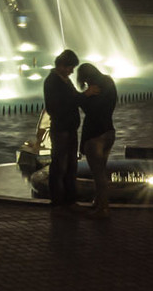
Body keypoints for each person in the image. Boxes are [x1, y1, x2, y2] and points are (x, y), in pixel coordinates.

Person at [42, 49, 94, 212]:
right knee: (59, 165)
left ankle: (70, 200)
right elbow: (60, 104)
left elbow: (71, 99)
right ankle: (57, 201)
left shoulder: (64, 80)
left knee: (71, 165)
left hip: (69, 128)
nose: (72, 71)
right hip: (61, 129)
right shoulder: (52, 82)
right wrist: (85, 95)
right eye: (70, 67)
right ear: (62, 65)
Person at [75, 62, 118, 218]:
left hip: (95, 135)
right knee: (102, 170)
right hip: (109, 132)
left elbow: (91, 110)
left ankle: (104, 208)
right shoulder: (109, 81)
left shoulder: (94, 89)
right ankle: (98, 202)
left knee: (98, 173)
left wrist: (84, 96)